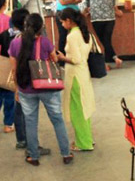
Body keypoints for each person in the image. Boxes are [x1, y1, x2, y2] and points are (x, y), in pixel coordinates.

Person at [9, 13, 72, 165]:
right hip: (47, 86)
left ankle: (34, 156)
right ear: (41, 27)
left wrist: (17, 89)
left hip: (26, 88)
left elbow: (14, 70)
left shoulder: (15, 44)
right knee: (57, 119)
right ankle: (66, 153)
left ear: (25, 26)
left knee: (30, 122)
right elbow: (54, 60)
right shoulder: (45, 42)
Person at [57, 9, 95, 152]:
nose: (62, 25)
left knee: (77, 111)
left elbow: (76, 59)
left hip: (75, 76)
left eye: (62, 22)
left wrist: (62, 57)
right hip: (83, 73)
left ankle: (83, 143)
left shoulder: (72, 36)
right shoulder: (85, 33)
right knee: (85, 108)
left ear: (68, 21)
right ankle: (87, 138)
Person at [82, 0, 121, 69]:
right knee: (106, 40)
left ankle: (109, 61)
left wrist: (85, 11)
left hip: (96, 18)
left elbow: (86, 1)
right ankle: (113, 58)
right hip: (110, 18)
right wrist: (117, 11)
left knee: (103, 41)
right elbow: (114, 1)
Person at [0, 8, 27, 141]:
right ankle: (8, 125)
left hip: (2, 69)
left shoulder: (4, 34)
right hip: (15, 71)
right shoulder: (24, 37)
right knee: (11, 99)